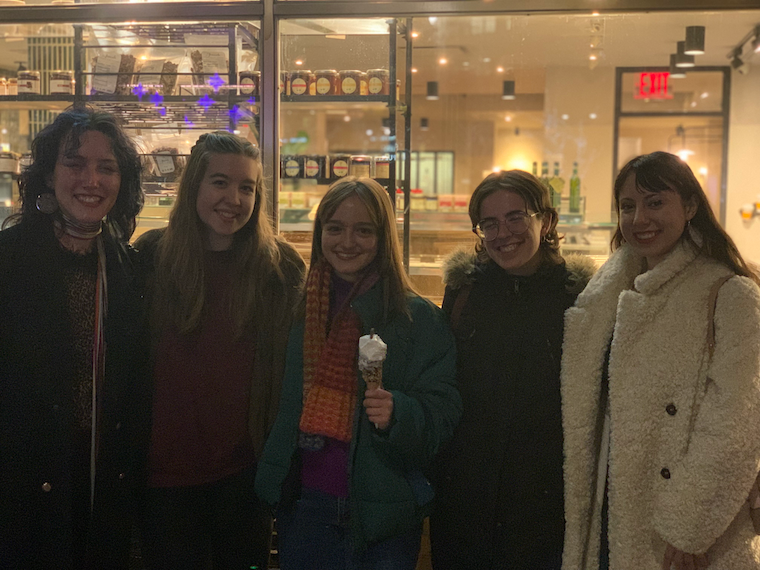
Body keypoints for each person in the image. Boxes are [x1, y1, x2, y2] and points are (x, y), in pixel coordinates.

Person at [561, 151, 760, 570]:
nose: (639, 219)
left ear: (689, 206)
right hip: (610, 512)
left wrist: (689, 524)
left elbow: (735, 425)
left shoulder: (731, 295)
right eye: (628, 206)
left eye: (655, 202)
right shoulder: (608, 296)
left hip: (687, 532)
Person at [255, 176, 461, 570]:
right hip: (305, 507)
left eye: (363, 230)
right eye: (335, 228)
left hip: (382, 513)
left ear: (383, 237)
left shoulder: (417, 319)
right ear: (320, 235)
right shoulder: (296, 311)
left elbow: (444, 410)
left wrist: (399, 412)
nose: (346, 242)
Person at [135, 131, 305, 570]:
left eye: (247, 187)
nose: (234, 198)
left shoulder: (280, 269)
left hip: (244, 475)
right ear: (194, 185)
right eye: (220, 182)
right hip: (164, 477)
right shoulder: (150, 258)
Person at [0, 107, 149, 568]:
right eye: (75, 163)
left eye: (107, 167)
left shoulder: (128, 267)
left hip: (101, 487)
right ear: (47, 173)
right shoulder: (9, 261)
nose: (92, 179)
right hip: (20, 487)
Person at [429, 169, 595, 570]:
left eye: (516, 217)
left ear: (547, 220)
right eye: (489, 223)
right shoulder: (464, 292)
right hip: (463, 498)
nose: (503, 233)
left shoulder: (579, 299)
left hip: (543, 505)